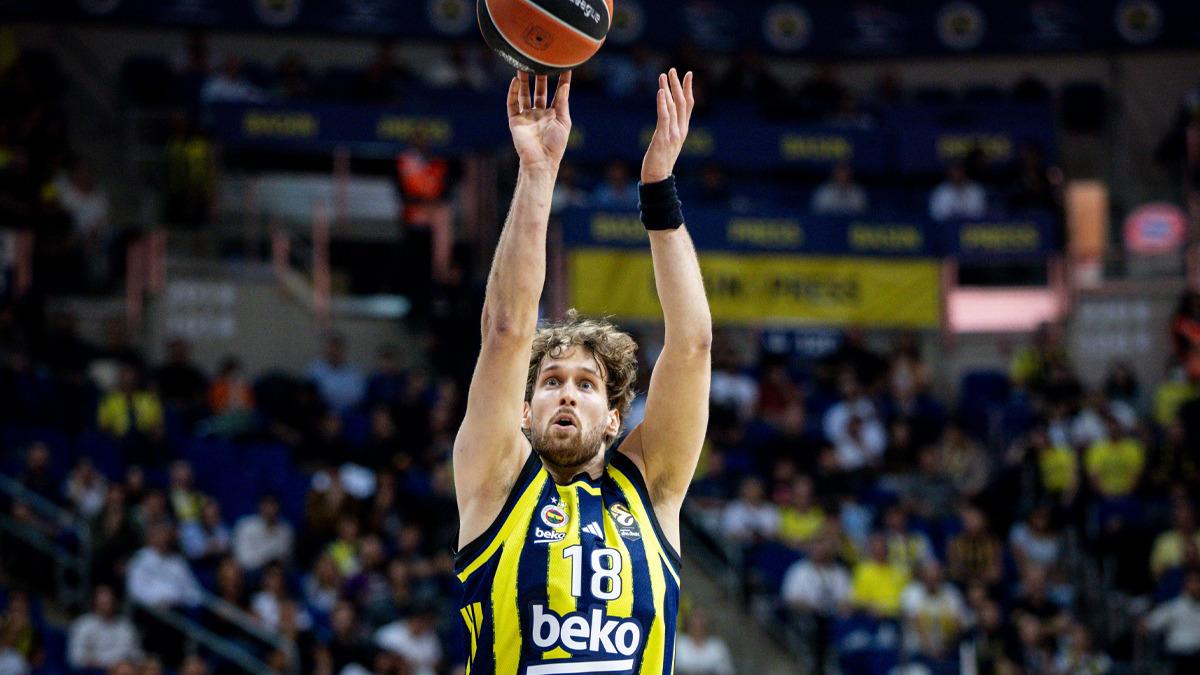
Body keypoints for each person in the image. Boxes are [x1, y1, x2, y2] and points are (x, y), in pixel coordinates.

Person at [453, 68, 710, 672]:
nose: (566, 393)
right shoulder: (496, 480)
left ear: (616, 417)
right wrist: (537, 172)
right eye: (551, 382)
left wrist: (658, 188)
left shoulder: (652, 486)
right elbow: (507, 330)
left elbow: (693, 344)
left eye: (586, 384)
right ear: (524, 411)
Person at [67, 586, 142, 669]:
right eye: (103, 602)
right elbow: (76, 657)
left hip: (125, 668)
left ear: (115, 602)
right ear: (94, 602)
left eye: (109, 601)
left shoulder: (125, 626)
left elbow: (136, 654)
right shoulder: (83, 624)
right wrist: (99, 664)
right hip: (96, 670)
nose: (106, 605)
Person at [1142, 569, 1200, 674]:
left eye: (1198, 582)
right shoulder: (1174, 607)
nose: (1196, 586)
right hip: (1178, 657)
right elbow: (1147, 623)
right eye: (1193, 582)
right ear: (1186, 584)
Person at [674, 609, 735, 675]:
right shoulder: (679, 644)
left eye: (701, 620)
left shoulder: (717, 647)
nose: (698, 623)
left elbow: (726, 671)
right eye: (695, 619)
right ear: (688, 622)